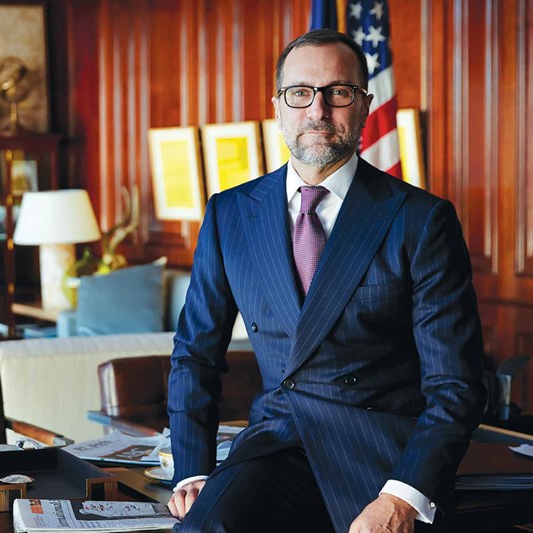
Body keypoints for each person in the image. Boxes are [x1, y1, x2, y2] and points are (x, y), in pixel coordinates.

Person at [166, 29, 486, 533]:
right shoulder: (230, 213)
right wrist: (192, 469)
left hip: (381, 456)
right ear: (278, 105)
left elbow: (456, 384)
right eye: (300, 93)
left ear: (364, 105)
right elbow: (195, 354)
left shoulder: (421, 219)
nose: (317, 110)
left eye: (338, 92)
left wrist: (404, 497)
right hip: (275, 445)